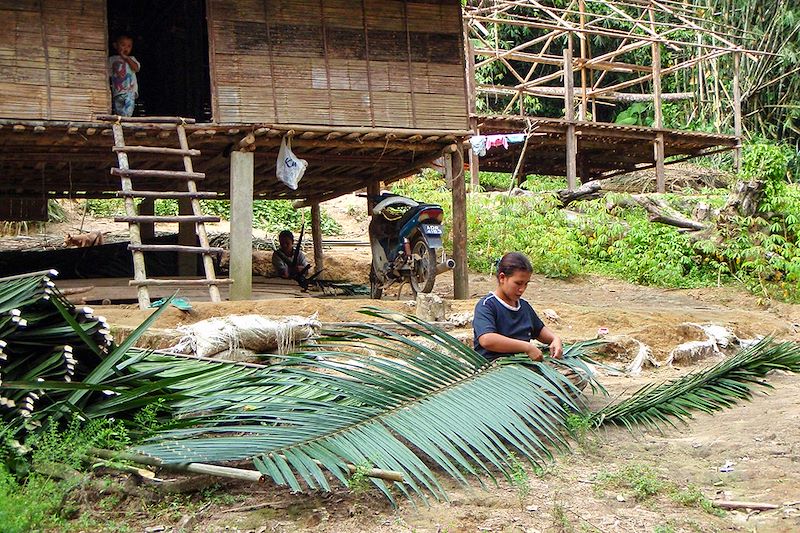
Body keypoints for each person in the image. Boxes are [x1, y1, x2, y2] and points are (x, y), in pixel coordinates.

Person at [473, 252, 563, 362]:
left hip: (521, 367)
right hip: (493, 370)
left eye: (526, 284)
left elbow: (540, 331)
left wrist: (555, 339)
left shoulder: (524, 306)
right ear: (502, 278)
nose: (522, 289)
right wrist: (527, 347)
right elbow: (487, 339)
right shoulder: (487, 306)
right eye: (518, 283)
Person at [108, 34, 140, 117]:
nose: (126, 48)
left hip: (130, 91)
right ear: (115, 45)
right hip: (117, 92)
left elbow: (136, 68)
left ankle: (127, 121)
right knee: (119, 112)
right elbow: (108, 73)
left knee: (128, 112)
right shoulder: (112, 60)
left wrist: (126, 58)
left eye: (129, 46)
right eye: (123, 45)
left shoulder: (132, 59)